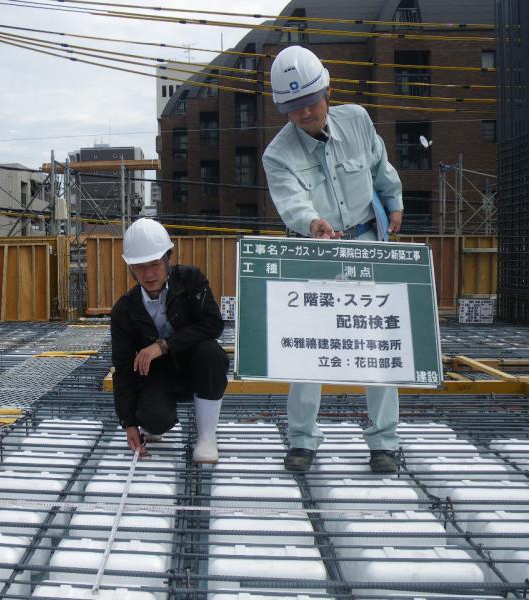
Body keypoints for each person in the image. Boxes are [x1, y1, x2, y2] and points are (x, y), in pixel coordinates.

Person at [262, 45, 404, 474]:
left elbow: (379, 164)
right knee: (308, 348)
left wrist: (394, 198)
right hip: (316, 251)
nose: (305, 113)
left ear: (327, 89)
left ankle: (384, 442)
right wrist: (313, 223)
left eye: (310, 101)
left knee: (379, 344)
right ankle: (302, 440)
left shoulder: (357, 120)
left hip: (367, 242)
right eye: (293, 108)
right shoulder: (277, 154)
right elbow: (292, 201)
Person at [110, 218, 229, 463]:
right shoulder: (124, 309)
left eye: (154, 264)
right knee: (153, 419)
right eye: (139, 267)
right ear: (130, 267)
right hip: (158, 378)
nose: (148, 274)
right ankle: (153, 423)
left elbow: (213, 324)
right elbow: (122, 368)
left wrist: (163, 346)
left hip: (195, 367)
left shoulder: (190, 280)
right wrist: (128, 423)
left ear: (168, 259)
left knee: (212, 353)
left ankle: (207, 437)